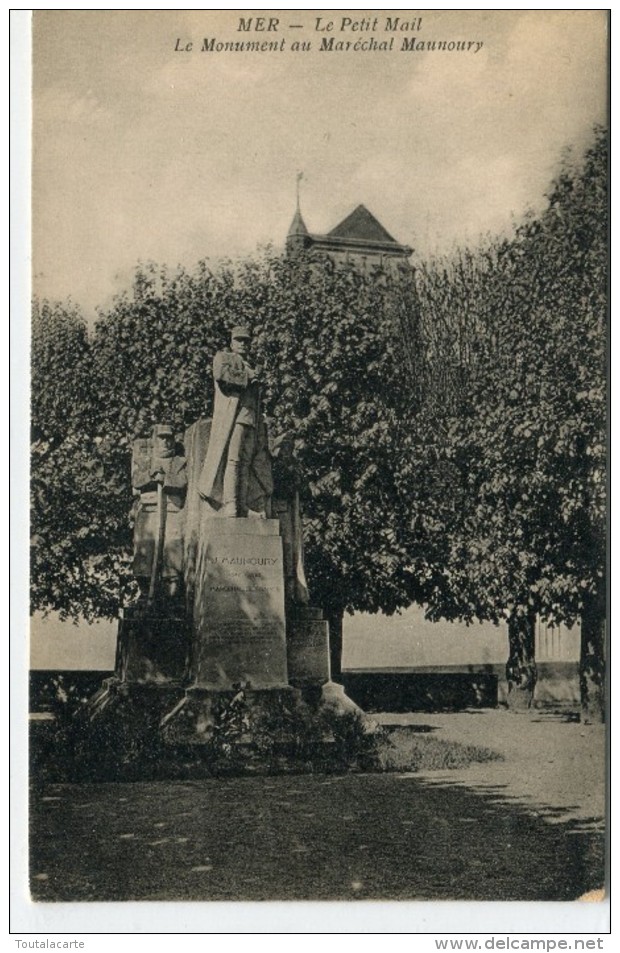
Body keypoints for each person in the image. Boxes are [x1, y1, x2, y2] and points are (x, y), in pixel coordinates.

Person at [199, 326, 271, 517]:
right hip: (234, 418)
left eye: (246, 341)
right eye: (239, 340)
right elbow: (221, 375)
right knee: (233, 460)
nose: (243, 344)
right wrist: (248, 376)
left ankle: (243, 505)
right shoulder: (224, 357)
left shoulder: (252, 364)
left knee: (246, 462)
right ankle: (230, 504)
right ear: (231, 343)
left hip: (251, 419)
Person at [132, 423, 187, 604]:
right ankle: (145, 593)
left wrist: (166, 479)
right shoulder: (145, 460)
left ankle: (171, 597)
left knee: (173, 552)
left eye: (169, 438)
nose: (166, 442)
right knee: (144, 552)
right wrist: (150, 475)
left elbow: (182, 482)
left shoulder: (180, 461)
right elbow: (136, 481)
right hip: (149, 512)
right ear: (154, 440)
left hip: (172, 512)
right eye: (161, 438)